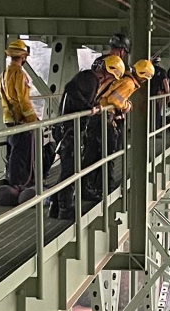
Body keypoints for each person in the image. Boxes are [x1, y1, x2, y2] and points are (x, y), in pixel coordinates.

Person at [48, 56, 125, 220]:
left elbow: (71, 91)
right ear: (108, 72)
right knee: (70, 170)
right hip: (69, 130)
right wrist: (89, 108)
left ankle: (56, 206)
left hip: (69, 129)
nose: (111, 80)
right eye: (112, 76)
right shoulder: (89, 78)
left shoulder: (88, 78)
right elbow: (72, 91)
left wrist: (90, 107)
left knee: (70, 169)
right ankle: (64, 208)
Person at [83, 58, 155, 199]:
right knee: (108, 153)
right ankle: (104, 187)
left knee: (93, 153)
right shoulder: (129, 83)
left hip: (98, 116)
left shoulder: (125, 78)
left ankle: (88, 185)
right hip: (102, 118)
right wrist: (126, 106)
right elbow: (114, 100)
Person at [0, 39, 39, 188]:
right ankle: (20, 183)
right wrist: (33, 119)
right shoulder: (19, 74)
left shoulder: (3, 75)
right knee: (21, 153)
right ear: (24, 56)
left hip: (9, 118)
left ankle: (13, 180)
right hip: (21, 119)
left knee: (14, 150)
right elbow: (23, 100)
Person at [150, 56, 170, 129]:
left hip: (149, 94)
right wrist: (168, 95)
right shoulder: (162, 71)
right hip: (158, 94)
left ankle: (149, 127)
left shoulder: (148, 70)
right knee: (157, 111)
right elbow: (166, 84)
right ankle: (156, 127)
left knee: (149, 111)